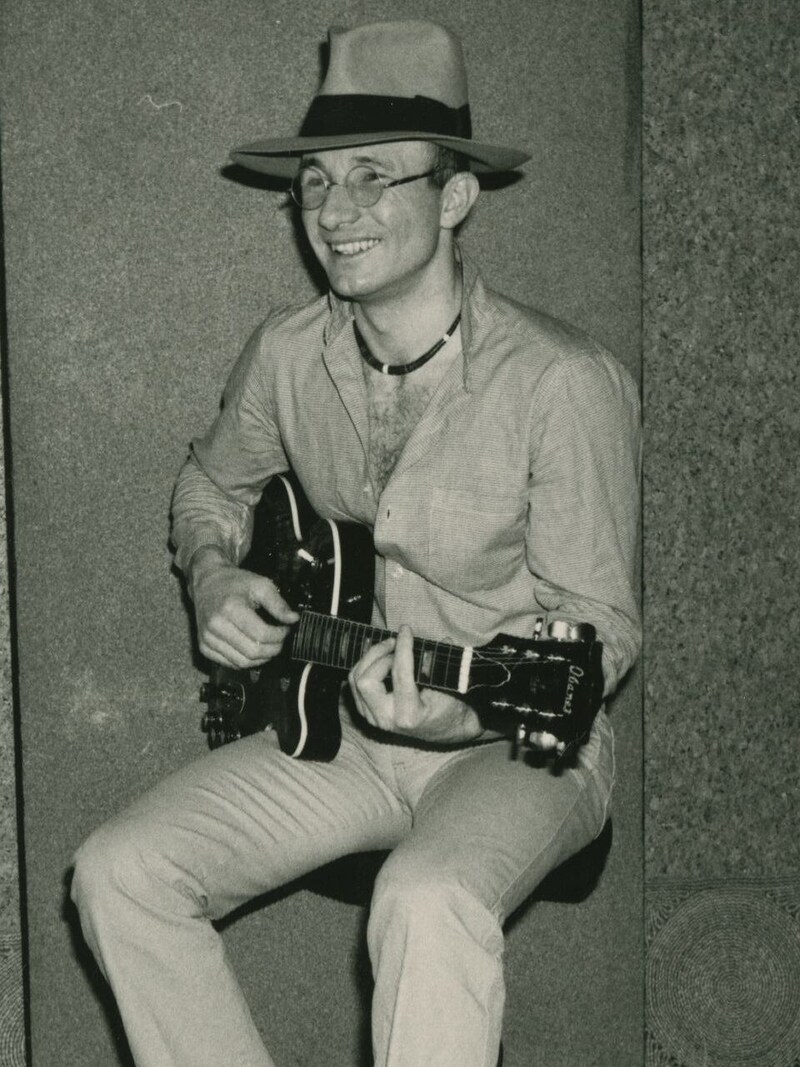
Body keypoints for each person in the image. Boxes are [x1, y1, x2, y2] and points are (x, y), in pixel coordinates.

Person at [71, 19, 641, 1067]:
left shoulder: (561, 381)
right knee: (118, 869)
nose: (336, 212)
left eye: (376, 176)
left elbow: (598, 628)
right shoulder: (288, 356)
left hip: (518, 740)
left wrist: (461, 700)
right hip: (342, 730)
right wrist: (210, 573)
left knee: (424, 895)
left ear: (454, 195)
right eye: (317, 182)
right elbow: (207, 484)